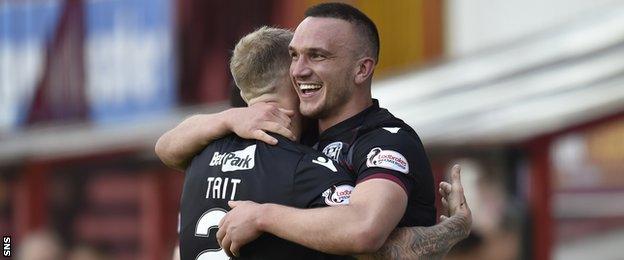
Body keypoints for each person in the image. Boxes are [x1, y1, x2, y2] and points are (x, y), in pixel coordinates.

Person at [156, 3, 472, 258]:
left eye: (317, 56)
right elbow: (166, 148)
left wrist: (263, 217)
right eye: (294, 55)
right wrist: (226, 119)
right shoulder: (290, 137)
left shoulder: (386, 139)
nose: (300, 69)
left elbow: (364, 230)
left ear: (361, 68)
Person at [179, 26, 356, 259]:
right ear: (295, 82)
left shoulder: (197, 156)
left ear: (243, 93)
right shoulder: (310, 169)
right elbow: (361, 233)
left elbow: (164, 148)